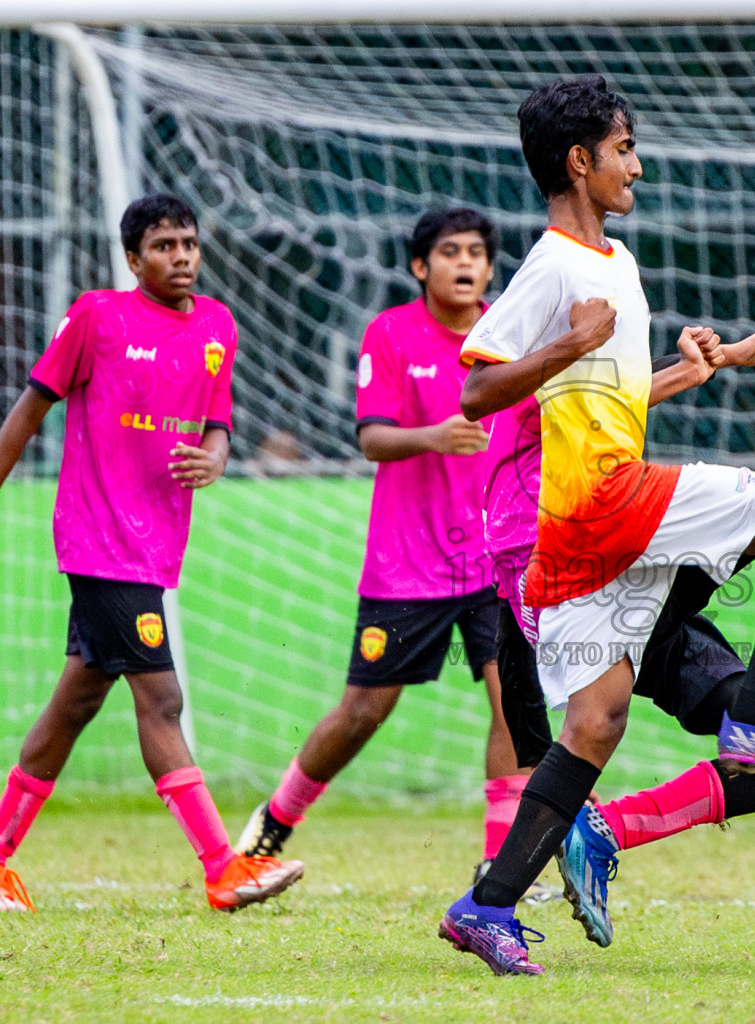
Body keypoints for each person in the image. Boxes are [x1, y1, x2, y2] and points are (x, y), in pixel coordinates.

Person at [435, 74, 755, 977]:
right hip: (591, 509)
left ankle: (485, 905)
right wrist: (569, 344)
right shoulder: (552, 264)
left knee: (599, 723)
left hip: (596, 529)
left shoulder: (613, 263)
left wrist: (710, 363)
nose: (638, 166)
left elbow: (596, 397)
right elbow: (479, 387)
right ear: (580, 161)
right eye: (623, 150)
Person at [487, 334, 755, 956]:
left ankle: (606, 832)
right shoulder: (526, 383)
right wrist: (706, 366)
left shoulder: (590, 394)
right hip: (574, 578)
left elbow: (620, 391)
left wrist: (716, 360)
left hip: (639, 586)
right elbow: (600, 397)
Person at [0, 194, 304, 913]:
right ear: (133, 258)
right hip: (98, 541)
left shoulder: (216, 325)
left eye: (190, 244)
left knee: (75, 704)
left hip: (154, 547)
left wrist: (215, 456)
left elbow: (219, 423)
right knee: (163, 701)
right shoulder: (98, 317)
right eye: (165, 245)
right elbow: (29, 410)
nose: (181, 257)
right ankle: (222, 867)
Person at [236, 208, 548, 895]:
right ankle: (274, 822)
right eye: (449, 252)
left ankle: (497, 863)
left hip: (497, 561)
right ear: (420, 267)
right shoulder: (391, 333)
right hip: (408, 566)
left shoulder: (511, 335)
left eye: (476, 252)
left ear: (492, 269)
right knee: (363, 713)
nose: (465, 263)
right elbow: (372, 438)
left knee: (511, 703)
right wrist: (435, 435)